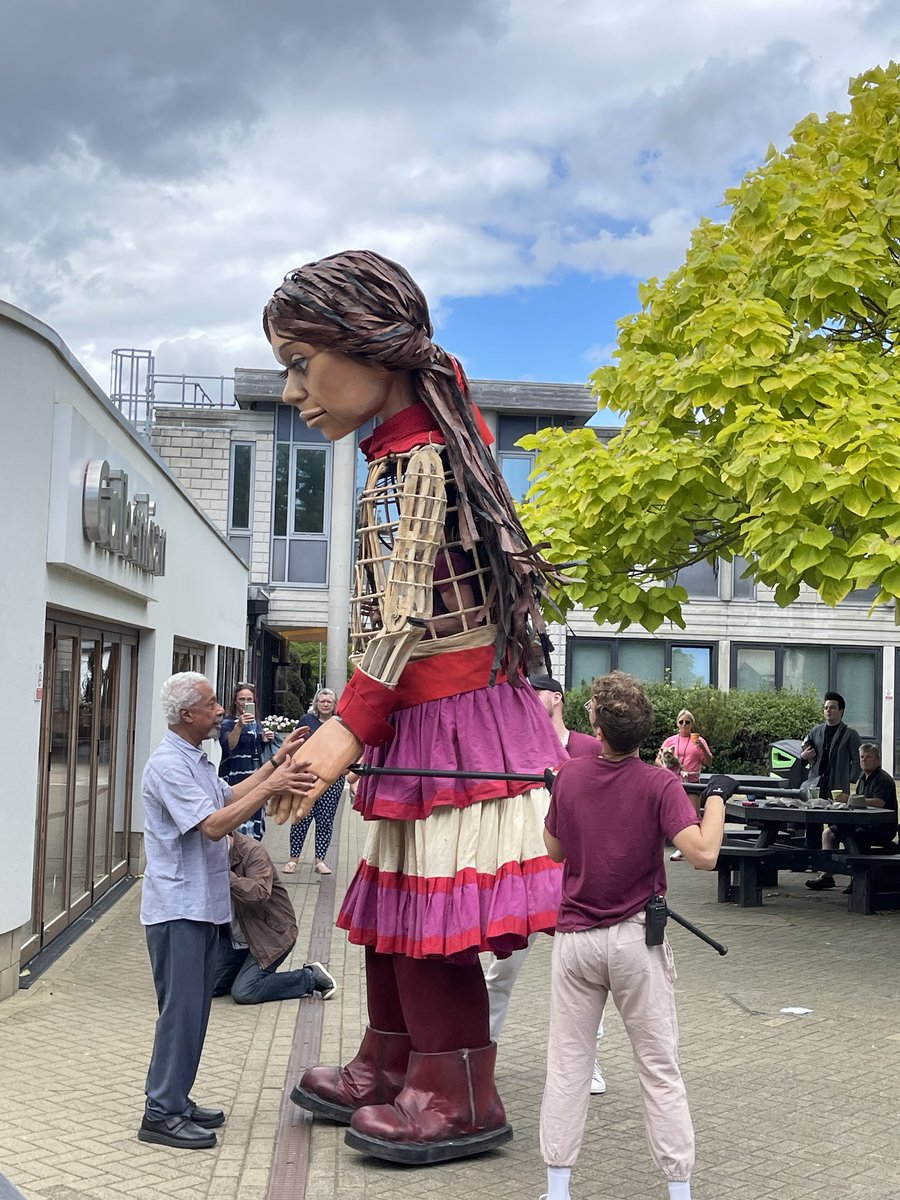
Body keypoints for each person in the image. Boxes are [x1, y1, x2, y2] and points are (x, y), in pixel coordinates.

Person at [263, 249, 569, 1165]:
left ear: (370, 348)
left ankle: (456, 1088)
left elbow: (397, 623)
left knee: (432, 919)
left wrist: (346, 725)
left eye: (300, 362)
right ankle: (392, 1059)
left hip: (446, 719)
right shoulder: (407, 454)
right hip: (417, 722)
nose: (293, 393)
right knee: (398, 905)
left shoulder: (419, 463)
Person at [539, 672, 733, 1200]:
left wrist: (558, 791)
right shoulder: (660, 783)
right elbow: (704, 854)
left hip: (575, 943)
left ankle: (558, 1191)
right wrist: (715, 798)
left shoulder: (572, 776)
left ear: (597, 726)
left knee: (568, 1067)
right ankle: (679, 1191)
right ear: (646, 731)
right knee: (659, 1070)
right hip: (634, 945)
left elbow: (554, 852)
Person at [138, 672, 313, 1151]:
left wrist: (277, 762)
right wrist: (274, 782)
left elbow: (230, 797)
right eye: (213, 703)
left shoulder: (194, 758)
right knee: (180, 1013)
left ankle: (176, 1099)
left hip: (199, 906)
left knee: (194, 1012)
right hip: (177, 910)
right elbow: (214, 826)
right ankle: (160, 1112)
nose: (222, 710)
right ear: (187, 714)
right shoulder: (167, 766)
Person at [484, 674, 607, 1097]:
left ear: (556, 696)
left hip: (573, 880)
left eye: (532, 693)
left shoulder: (588, 749)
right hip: (522, 877)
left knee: (584, 974)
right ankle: (481, 1053)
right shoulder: (512, 750)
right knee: (500, 971)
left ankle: (587, 1064)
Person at [214, 831, 337, 1002]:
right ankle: (244, 972)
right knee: (209, 985)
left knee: (244, 992)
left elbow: (259, 893)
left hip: (271, 933)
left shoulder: (252, 851)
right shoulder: (203, 858)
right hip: (236, 938)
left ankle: (310, 977)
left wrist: (223, 875)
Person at [806, 742, 898, 892]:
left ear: (878, 760)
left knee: (854, 835)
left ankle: (859, 879)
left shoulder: (883, 779)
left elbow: (879, 803)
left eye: (868, 757)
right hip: (863, 823)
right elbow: (859, 801)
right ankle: (826, 875)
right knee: (829, 832)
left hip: (881, 827)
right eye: (862, 757)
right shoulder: (862, 777)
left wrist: (850, 799)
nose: (864, 760)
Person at [284, 688, 345, 876]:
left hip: (332, 780)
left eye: (329, 701)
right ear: (316, 703)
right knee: (300, 818)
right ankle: (293, 859)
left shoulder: (341, 724)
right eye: (322, 701)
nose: (325, 704)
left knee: (325, 820)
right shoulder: (306, 721)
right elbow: (293, 744)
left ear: (334, 705)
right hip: (307, 777)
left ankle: (320, 860)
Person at [219, 683, 275, 841]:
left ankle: (250, 856)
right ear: (235, 701)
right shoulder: (227, 723)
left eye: (249, 699)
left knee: (254, 821)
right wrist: (239, 725)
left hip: (255, 778)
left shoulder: (256, 723)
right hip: (234, 779)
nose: (245, 702)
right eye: (241, 699)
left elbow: (257, 750)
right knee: (236, 822)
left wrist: (264, 739)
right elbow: (229, 745)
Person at [656, 709, 712, 861]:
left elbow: (708, 762)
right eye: (681, 722)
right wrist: (665, 766)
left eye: (687, 722)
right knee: (675, 816)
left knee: (693, 816)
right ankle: (681, 848)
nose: (684, 725)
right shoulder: (670, 741)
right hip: (673, 781)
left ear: (692, 724)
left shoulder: (698, 741)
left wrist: (702, 748)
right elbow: (658, 760)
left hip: (692, 781)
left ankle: (698, 848)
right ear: (677, 723)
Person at [800, 692, 862, 803]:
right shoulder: (815, 731)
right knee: (814, 815)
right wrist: (803, 757)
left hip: (837, 785)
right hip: (816, 784)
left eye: (832, 707)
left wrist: (850, 779)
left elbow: (858, 759)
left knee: (836, 816)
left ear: (841, 711)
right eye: (826, 708)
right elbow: (806, 753)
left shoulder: (850, 734)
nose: (828, 710)